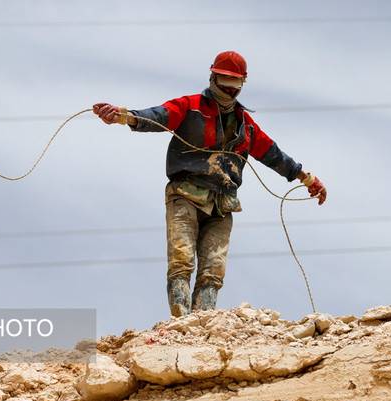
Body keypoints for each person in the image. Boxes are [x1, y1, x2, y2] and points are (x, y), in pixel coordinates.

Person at [93, 51, 327, 317]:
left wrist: (306, 179)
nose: (228, 88)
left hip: (222, 204)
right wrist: (123, 116)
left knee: (213, 271)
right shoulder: (190, 106)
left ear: (242, 83)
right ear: (212, 76)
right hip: (185, 193)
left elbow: (275, 155)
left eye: (234, 83)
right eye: (223, 80)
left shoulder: (245, 126)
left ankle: (202, 323)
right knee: (181, 262)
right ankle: (182, 322)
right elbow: (157, 116)